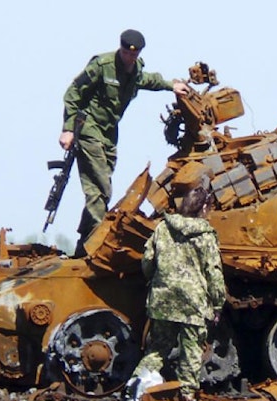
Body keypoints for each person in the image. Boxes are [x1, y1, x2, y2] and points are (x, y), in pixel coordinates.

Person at [59, 29, 190, 257]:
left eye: (134, 54)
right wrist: (68, 129)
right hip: (89, 128)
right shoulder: (102, 65)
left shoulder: (136, 68)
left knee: (99, 190)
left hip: (109, 134)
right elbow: (73, 93)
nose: (130, 58)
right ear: (120, 48)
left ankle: (85, 244)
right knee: (101, 189)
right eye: (126, 53)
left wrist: (171, 85)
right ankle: (94, 246)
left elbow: (147, 79)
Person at [129, 186, 226, 401]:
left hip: (162, 299)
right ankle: (187, 397)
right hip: (193, 303)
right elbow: (213, 272)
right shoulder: (205, 234)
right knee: (191, 351)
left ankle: (136, 386)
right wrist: (218, 303)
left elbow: (147, 260)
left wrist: (155, 281)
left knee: (158, 348)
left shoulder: (163, 228)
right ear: (203, 208)